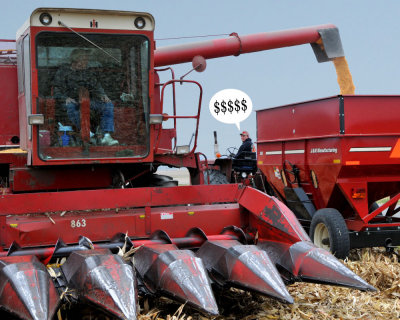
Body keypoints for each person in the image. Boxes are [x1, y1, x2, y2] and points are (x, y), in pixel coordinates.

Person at [53, 48, 118, 146]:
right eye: (84, 60)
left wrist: (103, 95)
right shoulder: (62, 73)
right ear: (76, 60)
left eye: (87, 60)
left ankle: (106, 135)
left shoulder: (88, 73)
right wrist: (65, 98)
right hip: (70, 102)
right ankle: (87, 133)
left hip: (88, 101)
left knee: (107, 105)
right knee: (70, 107)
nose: (86, 62)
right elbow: (56, 90)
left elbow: (96, 86)